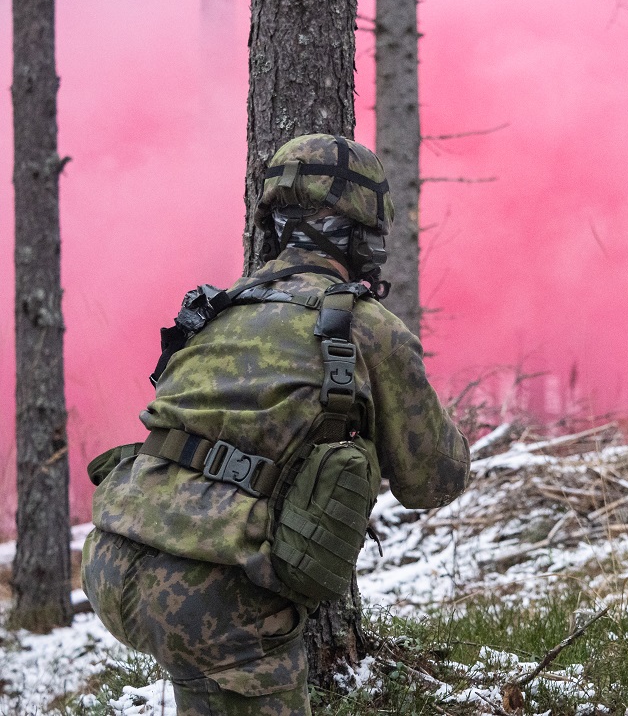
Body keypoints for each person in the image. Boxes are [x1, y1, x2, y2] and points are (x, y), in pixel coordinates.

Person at [81, 134, 470, 716]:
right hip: (213, 596)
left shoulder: (217, 308)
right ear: (366, 236)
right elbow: (434, 481)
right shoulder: (368, 328)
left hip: (113, 560)